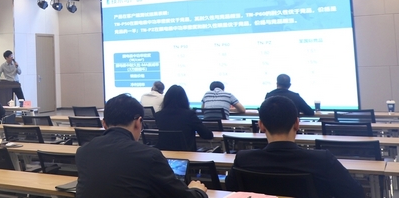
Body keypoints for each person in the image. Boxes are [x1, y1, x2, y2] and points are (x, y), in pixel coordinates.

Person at [225, 96, 364, 198]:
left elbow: (231, 190)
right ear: (297, 124)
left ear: (261, 125)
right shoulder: (322, 160)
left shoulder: (244, 159)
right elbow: (355, 194)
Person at [75, 93, 208, 198]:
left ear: (104, 124)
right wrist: (198, 191)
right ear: (138, 122)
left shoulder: (83, 151)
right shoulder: (149, 156)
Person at [155, 85, 213, 151]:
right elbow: (207, 135)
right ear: (184, 99)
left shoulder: (158, 115)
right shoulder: (190, 115)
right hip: (186, 154)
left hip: (164, 153)